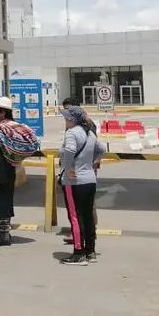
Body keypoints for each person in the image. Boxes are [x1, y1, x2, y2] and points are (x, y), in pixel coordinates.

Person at [59, 105, 106, 266]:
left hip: (74, 182)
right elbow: (101, 149)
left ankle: (78, 252)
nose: (64, 120)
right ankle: (90, 251)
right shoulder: (90, 133)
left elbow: (70, 150)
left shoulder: (72, 133)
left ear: (72, 120)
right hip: (90, 179)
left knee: (75, 217)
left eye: (66, 118)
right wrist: (92, 161)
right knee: (87, 216)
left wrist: (68, 167)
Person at [0, 96, 19, 246]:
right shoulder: (14, 126)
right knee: (7, 199)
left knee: (0, 201)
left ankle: (3, 234)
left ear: (3, 113)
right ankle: (5, 232)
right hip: (11, 168)